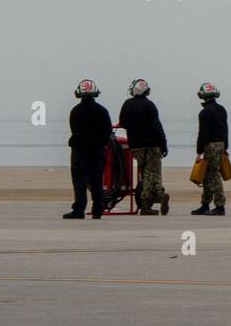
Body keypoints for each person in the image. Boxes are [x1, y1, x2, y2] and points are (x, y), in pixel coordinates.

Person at [119, 78, 170, 215]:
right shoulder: (149, 105)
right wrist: (164, 145)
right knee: (153, 173)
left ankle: (154, 197)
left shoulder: (127, 105)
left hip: (136, 146)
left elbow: (123, 122)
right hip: (152, 145)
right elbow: (157, 127)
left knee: (145, 173)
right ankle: (152, 199)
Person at [64, 79, 112, 220]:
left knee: (79, 181)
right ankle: (98, 209)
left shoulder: (76, 111)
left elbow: (74, 130)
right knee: (96, 180)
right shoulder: (102, 111)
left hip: (80, 151)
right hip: (97, 151)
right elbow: (107, 131)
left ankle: (79, 209)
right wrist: (100, 144)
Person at [192, 82, 228, 216]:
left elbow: (203, 134)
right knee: (207, 176)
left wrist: (199, 152)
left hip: (210, 146)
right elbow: (225, 130)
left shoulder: (205, 112)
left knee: (213, 175)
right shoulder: (222, 109)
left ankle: (219, 206)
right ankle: (205, 204)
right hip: (220, 144)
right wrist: (225, 147)